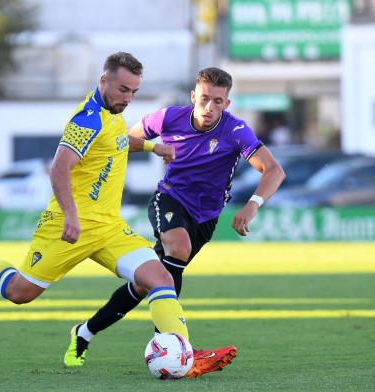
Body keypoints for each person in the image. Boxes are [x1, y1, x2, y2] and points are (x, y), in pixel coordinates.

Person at [0, 53, 231, 378]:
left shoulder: (113, 113)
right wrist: (72, 215)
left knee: (160, 279)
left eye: (133, 91)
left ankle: (184, 353)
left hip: (109, 228)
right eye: (122, 89)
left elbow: (116, 142)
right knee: (20, 292)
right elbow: (60, 166)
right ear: (103, 81)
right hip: (66, 227)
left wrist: (150, 147)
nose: (128, 98)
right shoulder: (86, 119)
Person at [64, 67, 286, 367]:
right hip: (169, 199)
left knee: (148, 283)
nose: (210, 107)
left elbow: (274, 170)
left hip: (205, 218)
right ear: (194, 96)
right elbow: (122, 141)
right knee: (177, 249)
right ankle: (170, 346)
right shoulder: (167, 118)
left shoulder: (235, 131)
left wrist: (252, 205)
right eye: (205, 99)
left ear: (227, 104)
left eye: (218, 101)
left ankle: (85, 332)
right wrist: (150, 147)